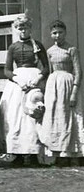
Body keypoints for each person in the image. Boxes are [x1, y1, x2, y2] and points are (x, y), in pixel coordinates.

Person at [1, 13, 49, 167]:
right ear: (16, 29)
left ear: (30, 29)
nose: (23, 31)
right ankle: (17, 154)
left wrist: (38, 78)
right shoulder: (13, 47)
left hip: (34, 80)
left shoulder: (38, 45)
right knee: (16, 116)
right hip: (18, 82)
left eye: (26, 28)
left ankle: (34, 154)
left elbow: (46, 67)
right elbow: (7, 70)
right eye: (20, 28)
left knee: (33, 116)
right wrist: (17, 80)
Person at [39, 20, 84, 162]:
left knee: (69, 117)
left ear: (65, 33)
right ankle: (57, 154)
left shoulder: (72, 49)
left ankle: (71, 153)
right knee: (55, 117)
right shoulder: (50, 51)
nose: (57, 35)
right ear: (51, 34)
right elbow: (50, 71)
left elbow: (78, 72)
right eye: (54, 33)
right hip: (54, 86)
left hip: (68, 84)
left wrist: (74, 92)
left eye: (60, 32)